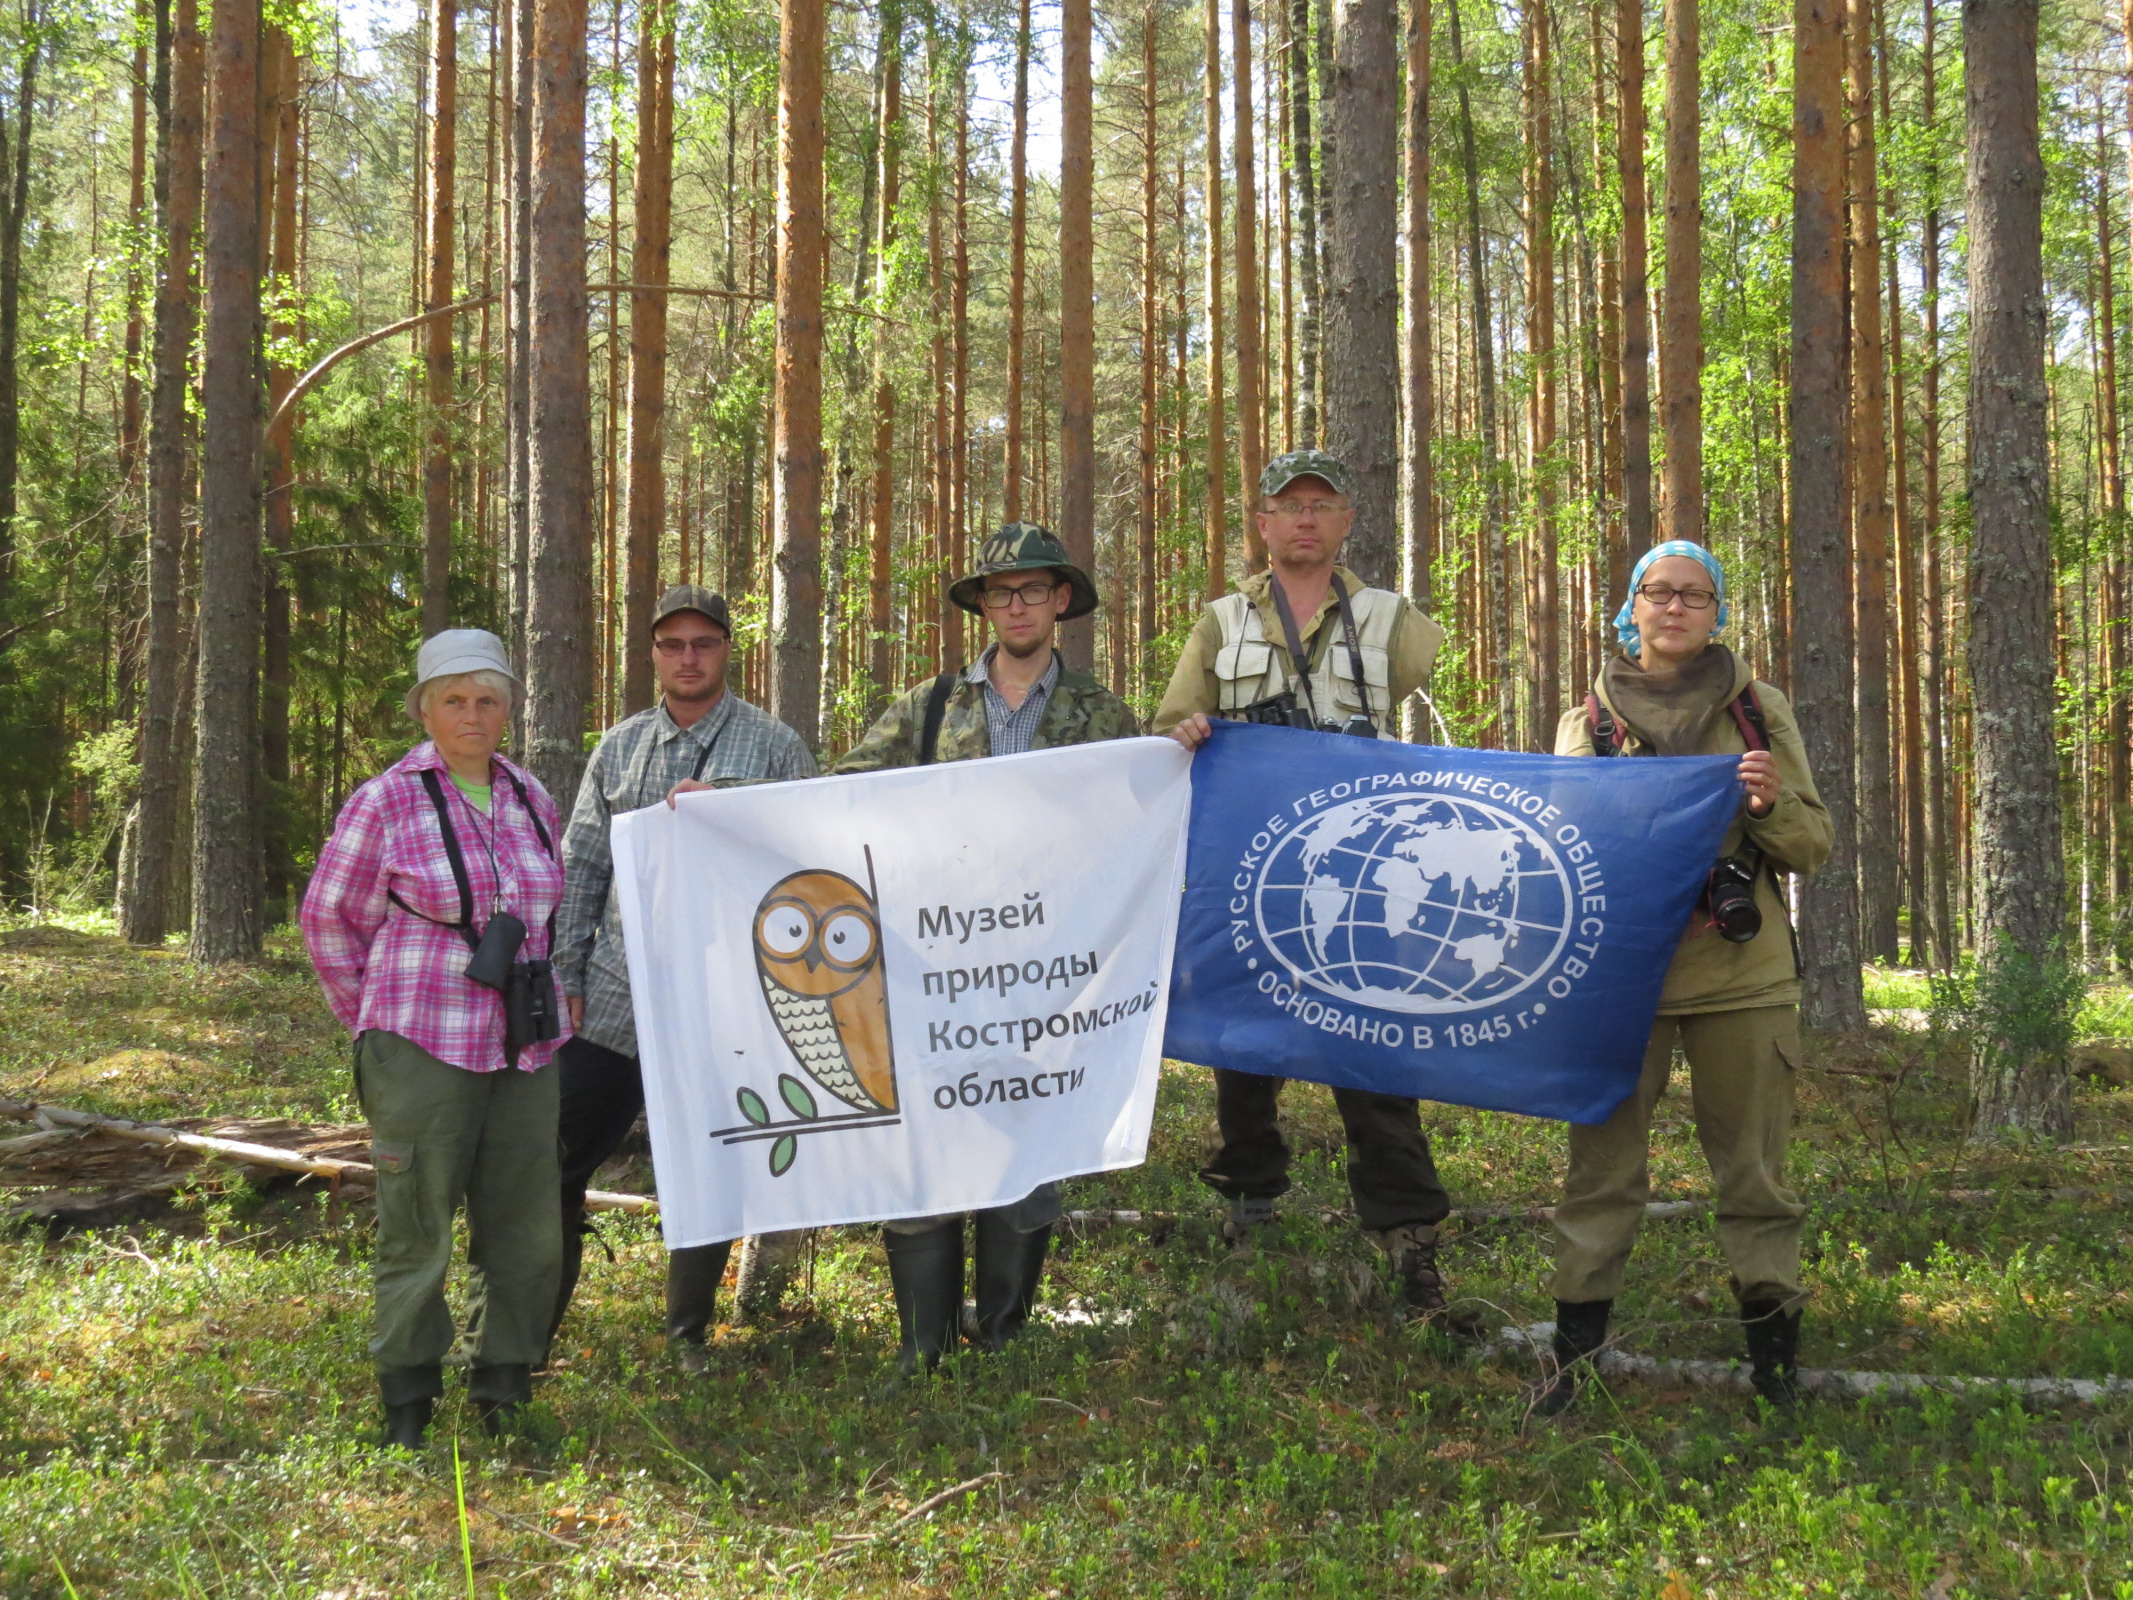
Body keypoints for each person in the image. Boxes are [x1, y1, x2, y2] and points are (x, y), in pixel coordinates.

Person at [675, 523, 1135, 1373]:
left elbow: (1134, 830)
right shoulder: (930, 708)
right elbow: (839, 798)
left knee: (1026, 1154)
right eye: (1000, 592)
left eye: (1033, 589)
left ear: (1061, 599)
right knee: (924, 1148)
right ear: (983, 606)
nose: (1017, 605)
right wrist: (727, 804)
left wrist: (1176, 751)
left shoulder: (1102, 718)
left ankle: (1001, 1343)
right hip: (932, 973)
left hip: (1042, 978)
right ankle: (922, 1355)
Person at [1154, 448, 1477, 1332]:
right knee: (1244, 1050)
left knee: (1374, 1051)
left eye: (1320, 505)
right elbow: (1170, 722)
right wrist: (1187, 726)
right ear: (1261, 523)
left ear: (1345, 523)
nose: (1303, 519)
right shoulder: (1221, 622)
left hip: (1368, 869)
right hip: (1253, 864)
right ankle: (1247, 1214)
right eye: (1286, 505)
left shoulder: (1391, 618)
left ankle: (1410, 1240)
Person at [1533, 540, 1832, 1414]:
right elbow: (1557, 854)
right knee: (1600, 1177)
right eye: (1657, 593)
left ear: (1716, 611)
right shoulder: (1586, 716)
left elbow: (1812, 847)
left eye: (1694, 596)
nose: (1673, 608)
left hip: (1743, 975)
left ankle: (1774, 1373)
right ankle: (1572, 1367)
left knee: (1754, 1177)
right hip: (1622, 979)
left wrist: (1768, 802)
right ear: (1630, 607)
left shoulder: (1755, 707)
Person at [302, 629, 569, 1448]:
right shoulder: (387, 798)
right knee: (418, 1220)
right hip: (421, 1039)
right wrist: (377, 1023)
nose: (472, 716)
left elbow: (553, 907)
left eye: (488, 700)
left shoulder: (531, 796)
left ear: (508, 710)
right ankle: (408, 1399)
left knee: (526, 1223)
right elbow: (328, 920)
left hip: (525, 1044)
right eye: (453, 700)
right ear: (424, 708)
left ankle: (504, 1384)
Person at [548, 585, 818, 1373]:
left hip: (727, 1001)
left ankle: (686, 1337)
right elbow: (583, 866)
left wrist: (728, 811)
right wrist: (565, 971)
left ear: (728, 650)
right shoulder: (620, 749)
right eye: (673, 645)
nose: (688, 657)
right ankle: (525, 1332)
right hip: (614, 996)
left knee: (708, 1164)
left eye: (703, 643)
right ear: (654, 655)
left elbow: (809, 853)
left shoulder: (773, 746)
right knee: (552, 1159)